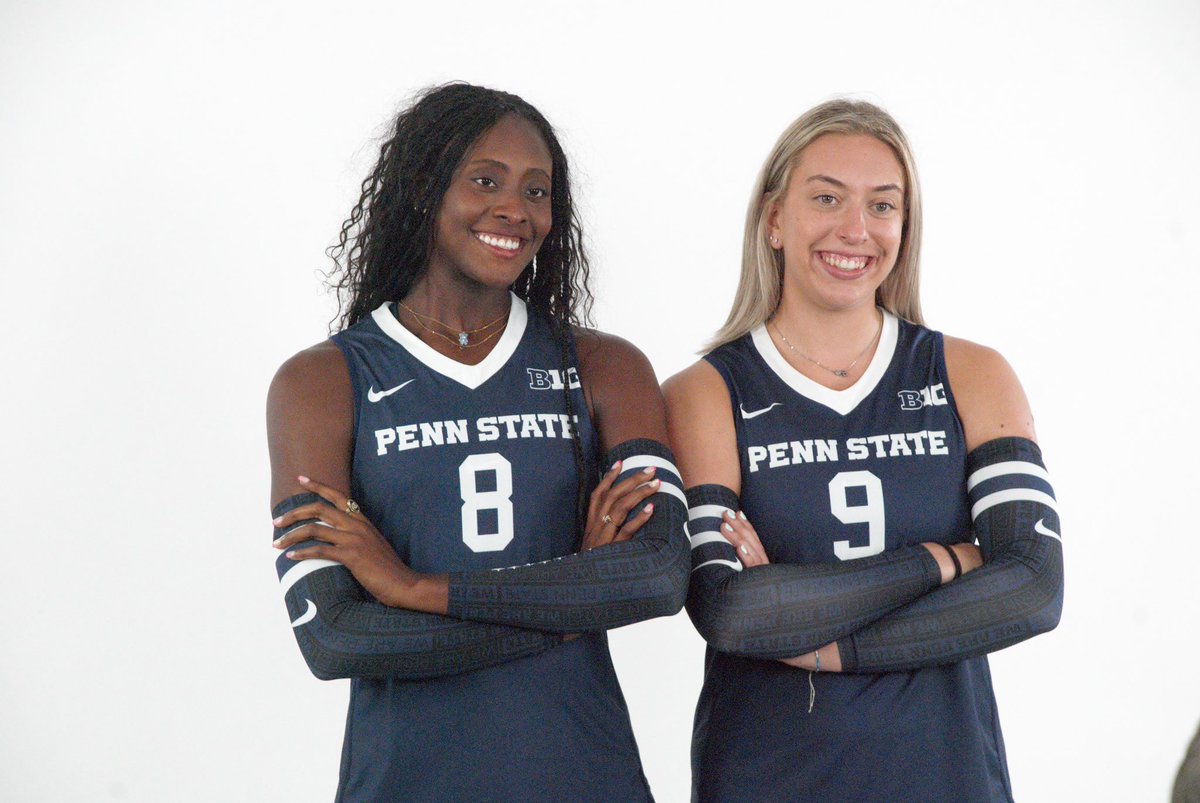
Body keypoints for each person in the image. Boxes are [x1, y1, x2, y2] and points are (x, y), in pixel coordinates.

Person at [267, 83, 689, 802]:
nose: (515, 210)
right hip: (406, 780)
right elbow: (336, 635)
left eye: (537, 190)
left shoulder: (604, 366)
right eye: (485, 180)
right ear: (423, 189)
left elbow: (657, 575)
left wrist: (411, 589)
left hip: (585, 774)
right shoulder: (322, 381)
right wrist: (570, 600)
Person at [663, 99, 1064, 801]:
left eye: (883, 205)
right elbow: (731, 611)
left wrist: (817, 637)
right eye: (827, 198)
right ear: (775, 219)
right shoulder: (704, 392)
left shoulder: (971, 374)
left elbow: (1032, 586)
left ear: (905, 228)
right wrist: (944, 562)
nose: (856, 229)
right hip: (767, 773)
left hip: (945, 772)